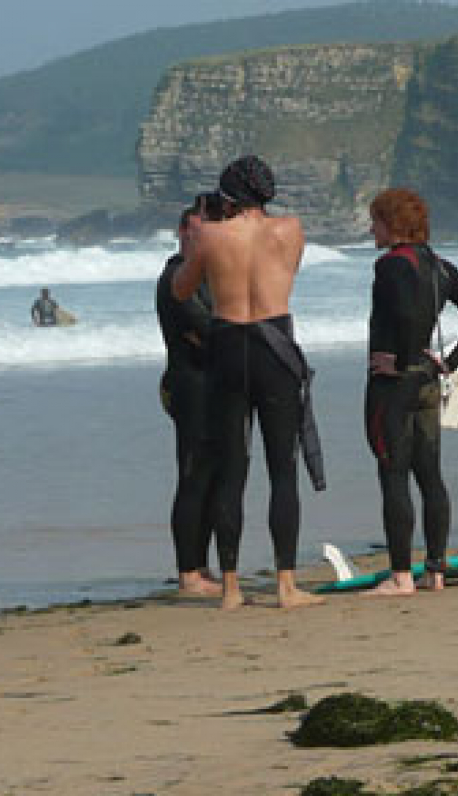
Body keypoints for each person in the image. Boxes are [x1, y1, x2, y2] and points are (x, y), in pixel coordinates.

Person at [172, 155, 325, 610]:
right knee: (282, 469)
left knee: (231, 469)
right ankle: (285, 585)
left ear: (228, 195)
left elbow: (182, 289)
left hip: (226, 344)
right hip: (273, 344)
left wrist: (193, 254)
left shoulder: (210, 234)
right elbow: (288, 273)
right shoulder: (291, 229)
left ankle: (232, 588)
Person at [363, 188, 458, 596]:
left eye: (376, 222)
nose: (371, 229)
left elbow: (401, 313)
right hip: (427, 381)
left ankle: (401, 576)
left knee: (393, 475)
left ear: (393, 225)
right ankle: (435, 571)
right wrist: (448, 361)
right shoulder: (439, 266)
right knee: (430, 476)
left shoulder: (390, 266)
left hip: (393, 388)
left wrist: (397, 361)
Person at [156, 206, 221, 596]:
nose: (205, 236)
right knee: (194, 475)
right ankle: (188, 573)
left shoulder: (208, 274)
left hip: (214, 381)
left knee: (215, 477)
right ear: (182, 230)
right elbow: (208, 328)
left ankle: (203, 564)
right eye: (198, 229)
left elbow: (219, 326)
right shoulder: (175, 275)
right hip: (189, 383)